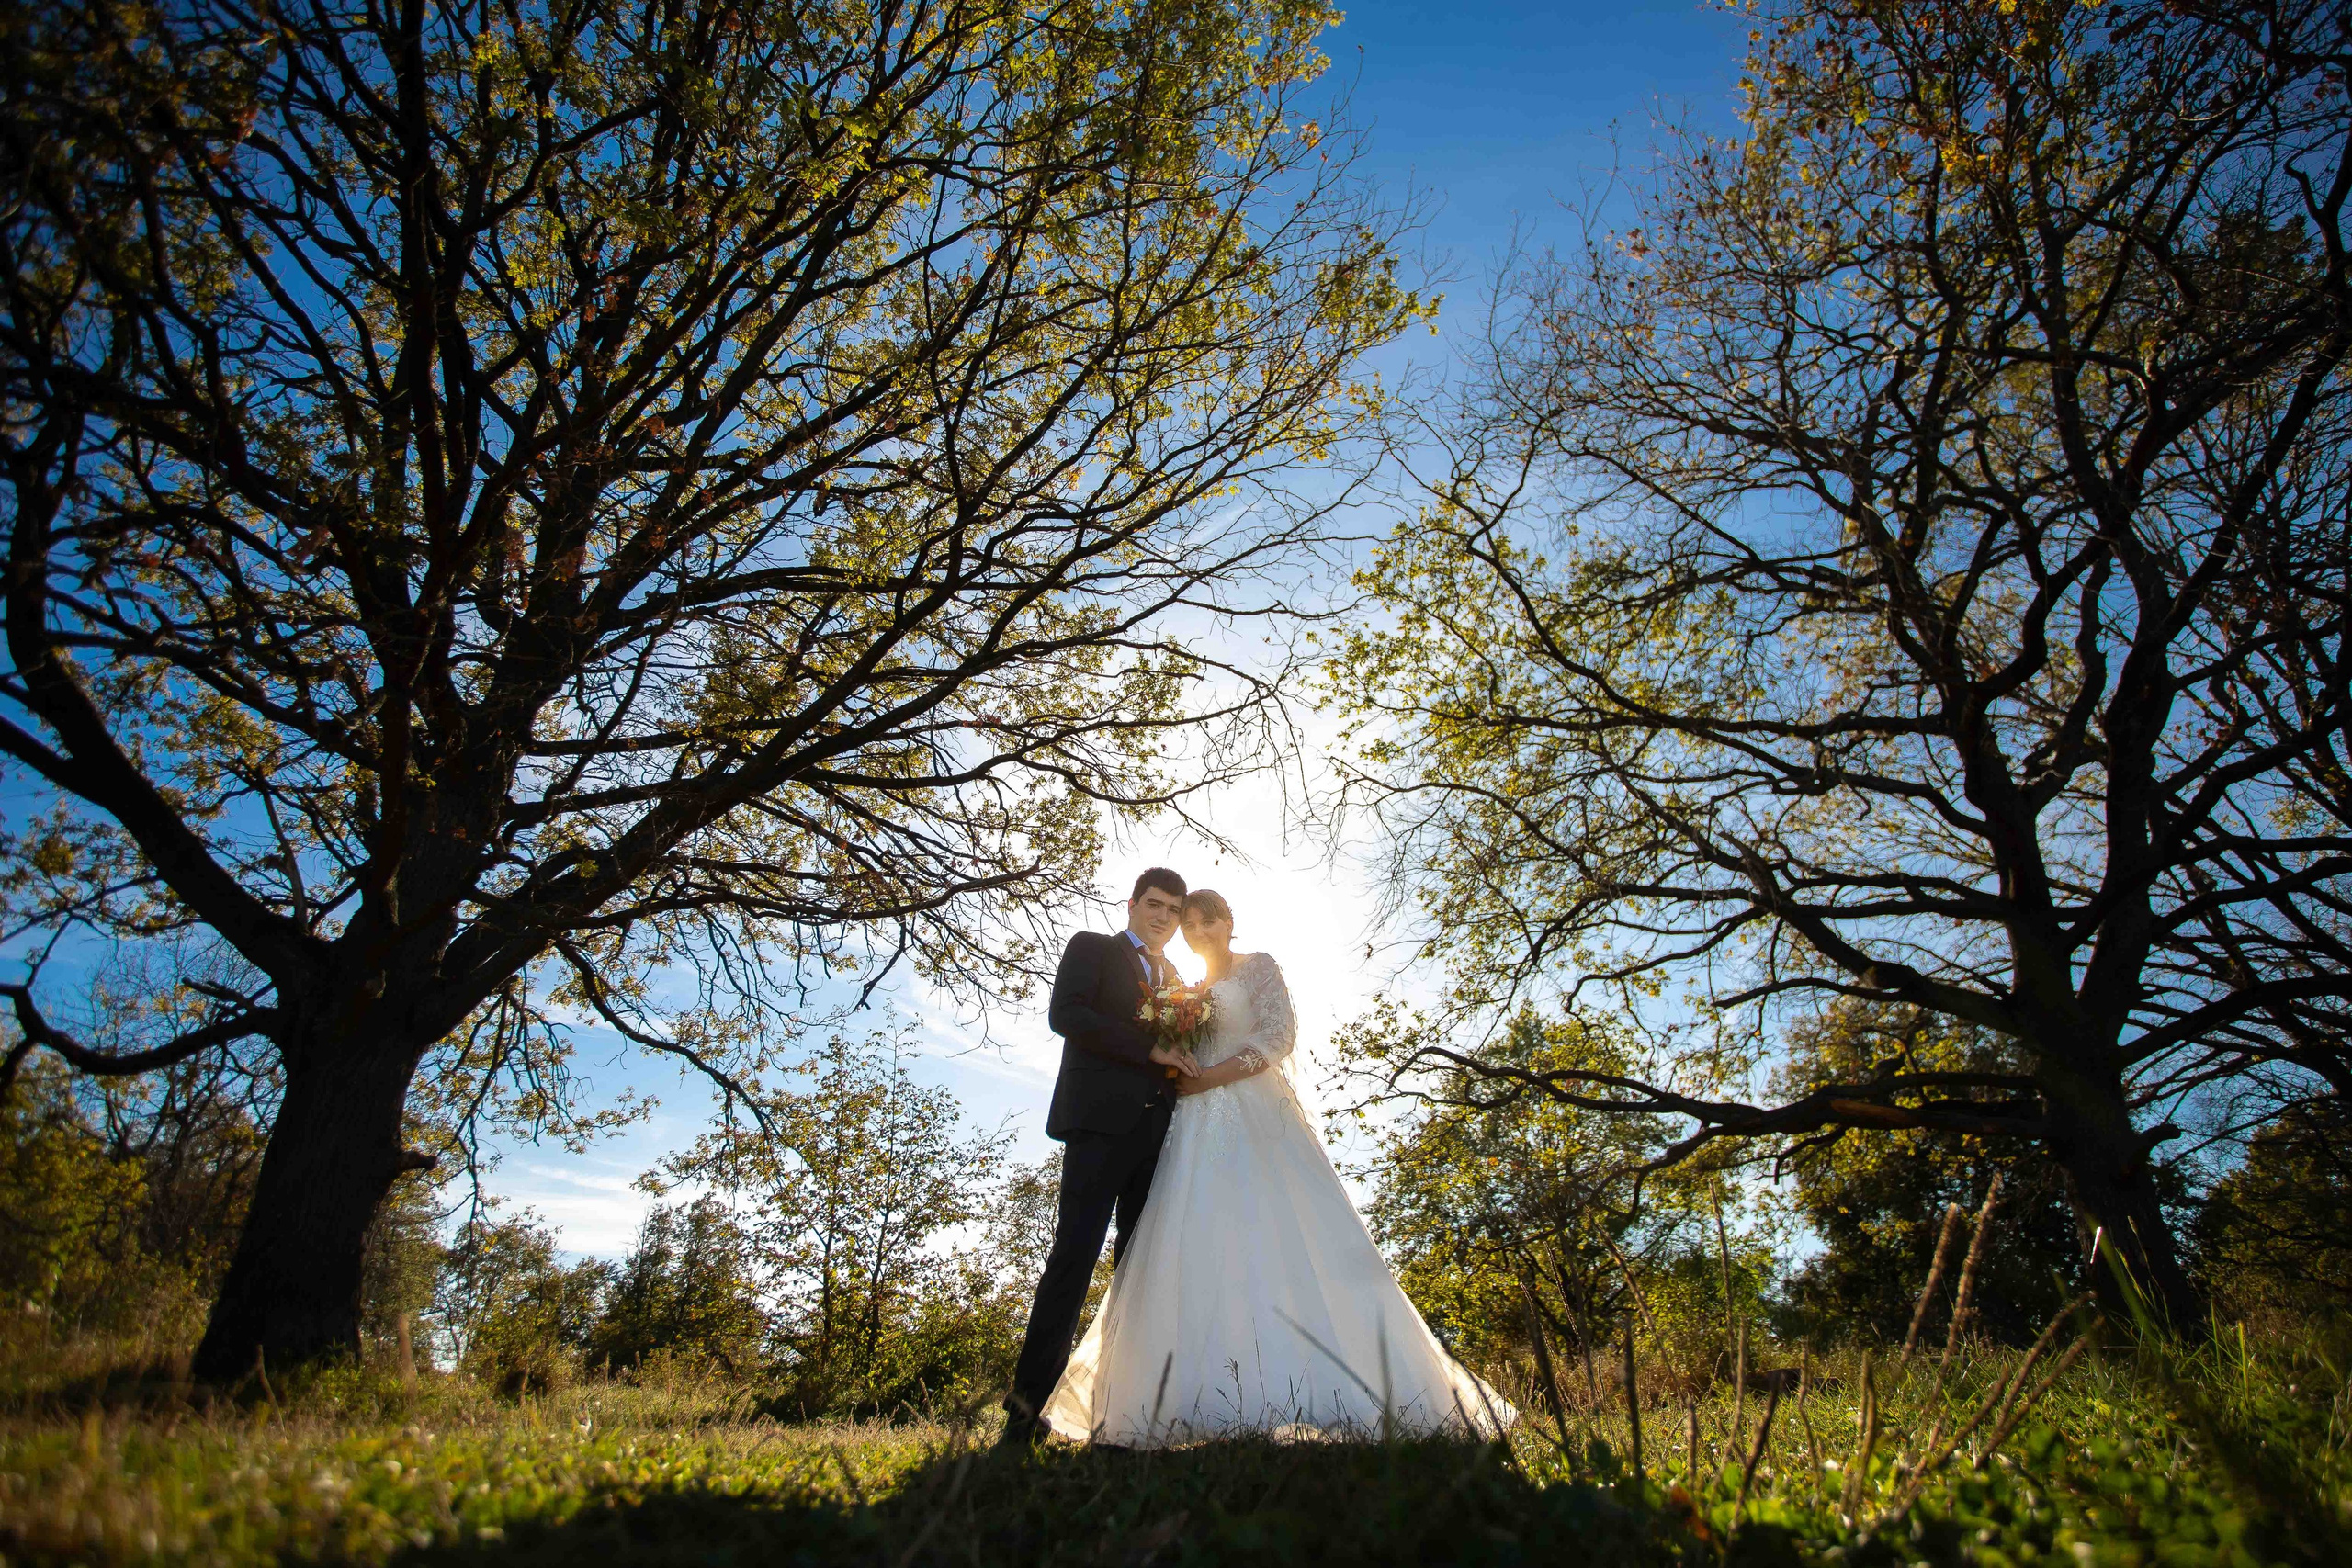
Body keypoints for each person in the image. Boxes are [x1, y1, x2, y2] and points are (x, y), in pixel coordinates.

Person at [1039, 888, 1514, 1445]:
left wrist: (1210, 1078)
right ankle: (1187, 1397)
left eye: (1205, 920)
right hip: (1188, 1126)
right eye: (1188, 922)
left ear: (1230, 923)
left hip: (1253, 1114)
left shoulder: (1258, 967)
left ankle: (1331, 1388)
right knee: (1196, 1248)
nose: (1195, 930)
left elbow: (1279, 1035)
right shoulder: (1184, 989)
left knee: (1281, 1238)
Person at [999, 867, 1200, 1448]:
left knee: (1138, 1273)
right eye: (1155, 905)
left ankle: (1126, 1416)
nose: (1163, 917)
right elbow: (1070, 1016)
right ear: (1133, 903)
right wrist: (1151, 1046)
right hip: (1099, 1125)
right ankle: (1023, 1417)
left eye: (1173, 910)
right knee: (1072, 1262)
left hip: (1158, 1133)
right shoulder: (1092, 948)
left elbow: (1180, 1048)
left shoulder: (1176, 975)